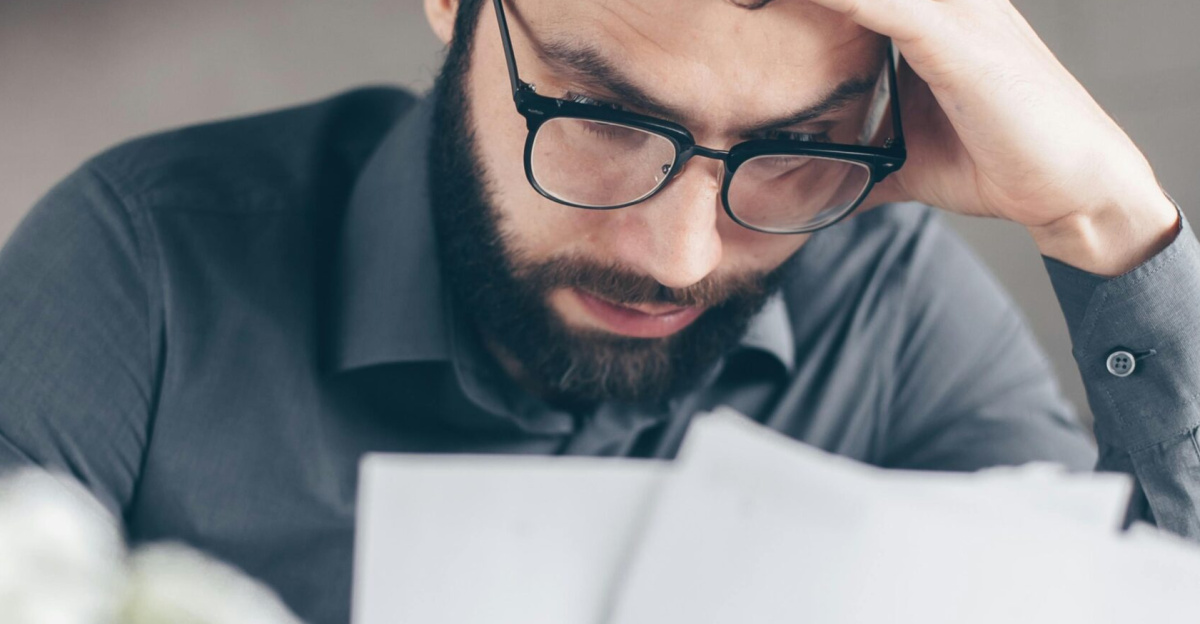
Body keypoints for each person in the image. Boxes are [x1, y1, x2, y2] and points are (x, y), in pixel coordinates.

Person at [0, 0, 1196, 622]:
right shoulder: (142, 269)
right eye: (605, 121)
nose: (679, 258)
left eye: (791, 148)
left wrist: (1104, 220)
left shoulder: (881, 306)